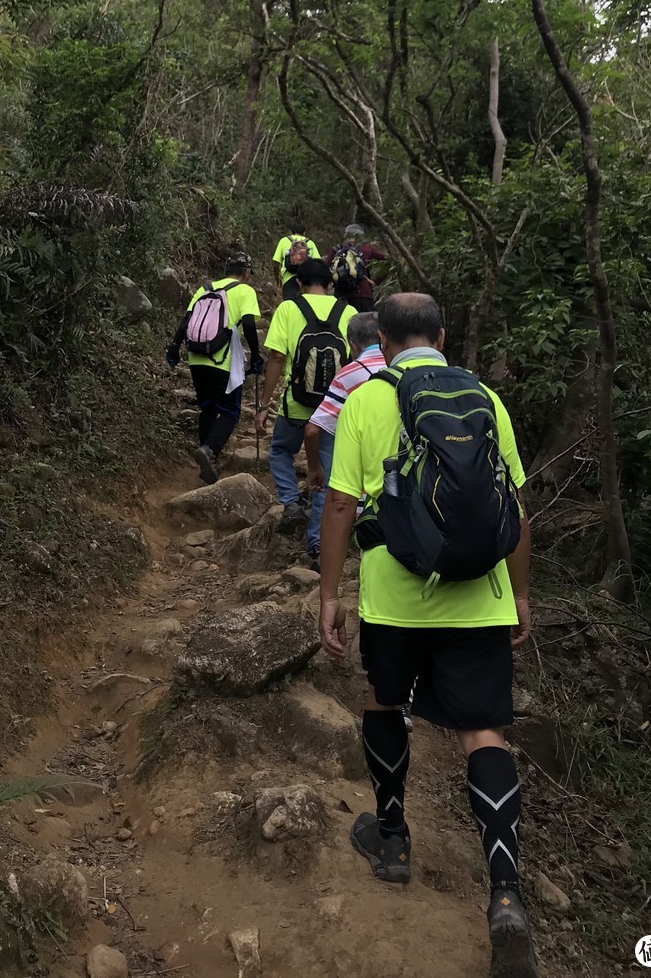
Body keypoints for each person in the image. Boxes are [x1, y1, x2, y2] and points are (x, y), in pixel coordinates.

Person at [318, 292, 536, 978]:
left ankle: (392, 839)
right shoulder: (487, 400)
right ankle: (505, 893)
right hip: (481, 599)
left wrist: (329, 593)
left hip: (394, 597)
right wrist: (522, 594)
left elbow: (342, 503)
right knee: (485, 732)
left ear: (379, 341)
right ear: (444, 334)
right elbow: (515, 507)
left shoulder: (366, 400)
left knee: (384, 702)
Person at [254, 258, 355, 527]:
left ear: (298, 283)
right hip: (334, 408)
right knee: (326, 472)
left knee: (279, 451)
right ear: (330, 285)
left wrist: (264, 406)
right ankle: (316, 544)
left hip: (296, 405)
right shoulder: (348, 312)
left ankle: (291, 501)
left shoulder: (288, 308)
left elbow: (276, 357)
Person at [166, 252, 263, 484]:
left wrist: (173, 347)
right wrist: (256, 356)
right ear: (246, 273)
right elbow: (249, 323)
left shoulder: (205, 289)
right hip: (223, 360)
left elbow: (185, 321)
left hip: (197, 358)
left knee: (208, 408)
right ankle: (209, 451)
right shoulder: (245, 290)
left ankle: (206, 457)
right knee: (230, 411)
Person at [302, 310, 385, 572]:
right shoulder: (410, 368)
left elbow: (313, 430)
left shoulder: (351, 374)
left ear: (352, 344)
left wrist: (315, 468)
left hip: (366, 494)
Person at [326, 223, 389, 314]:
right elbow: (389, 261)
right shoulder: (367, 248)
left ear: (346, 235)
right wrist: (376, 281)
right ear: (361, 236)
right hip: (363, 294)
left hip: (341, 295)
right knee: (366, 325)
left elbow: (324, 268)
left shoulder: (337, 249)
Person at [272, 230, 321, 301]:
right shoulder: (310, 243)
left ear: (290, 232)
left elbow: (276, 263)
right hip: (306, 280)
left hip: (288, 280)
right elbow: (318, 263)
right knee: (306, 306)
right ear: (304, 232)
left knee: (289, 306)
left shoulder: (283, 241)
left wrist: (277, 280)